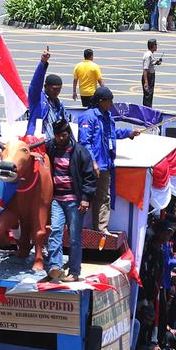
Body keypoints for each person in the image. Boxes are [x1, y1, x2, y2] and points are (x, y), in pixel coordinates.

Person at [77, 86, 140, 235]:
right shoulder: (89, 117)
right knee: (82, 197)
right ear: (101, 101)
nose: (111, 104)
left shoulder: (108, 117)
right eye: (109, 101)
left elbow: (113, 134)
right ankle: (75, 227)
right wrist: (92, 162)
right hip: (91, 166)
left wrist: (128, 133)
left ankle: (101, 228)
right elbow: (85, 142)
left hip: (106, 165)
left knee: (104, 197)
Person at [45, 118, 96, 282]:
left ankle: (74, 272)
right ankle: (55, 266)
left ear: (69, 134)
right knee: (55, 232)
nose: (60, 138)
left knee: (74, 237)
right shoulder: (51, 147)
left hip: (75, 201)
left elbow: (90, 177)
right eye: (57, 135)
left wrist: (85, 198)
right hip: (57, 200)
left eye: (63, 135)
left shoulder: (80, 152)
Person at [141, 39, 163, 107]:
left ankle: (148, 110)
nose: (157, 47)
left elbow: (152, 62)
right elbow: (145, 69)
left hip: (150, 76)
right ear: (153, 46)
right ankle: (147, 111)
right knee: (148, 96)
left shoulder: (150, 54)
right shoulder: (148, 55)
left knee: (149, 95)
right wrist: (146, 82)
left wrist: (157, 62)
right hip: (148, 76)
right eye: (156, 45)